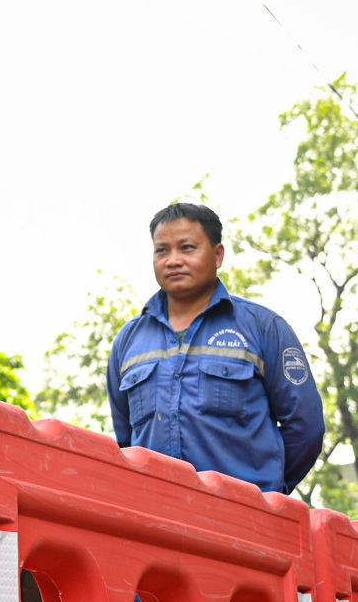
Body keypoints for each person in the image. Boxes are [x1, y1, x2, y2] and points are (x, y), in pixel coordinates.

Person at [107, 202, 325, 495]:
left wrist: (266, 493)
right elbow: (125, 439)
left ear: (218, 255)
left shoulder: (263, 328)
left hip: (246, 520)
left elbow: (305, 426)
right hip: (157, 519)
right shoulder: (128, 341)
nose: (173, 260)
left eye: (187, 248)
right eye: (162, 250)